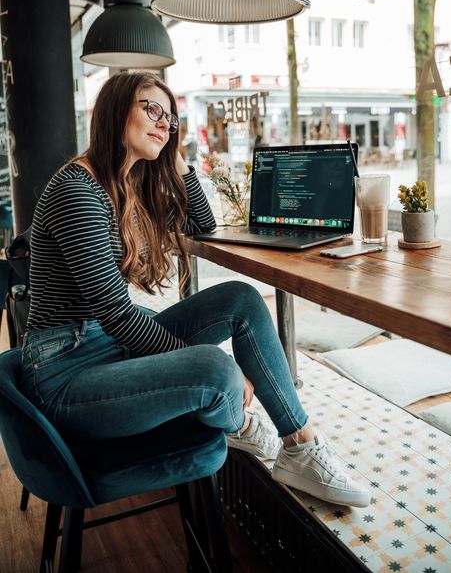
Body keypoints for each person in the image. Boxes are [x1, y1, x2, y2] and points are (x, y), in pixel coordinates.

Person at [20, 71, 369, 508]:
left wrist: (177, 159)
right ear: (114, 111)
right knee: (215, 370)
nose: (164, 123)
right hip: (66, 375)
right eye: (151, 109)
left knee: (240, 300)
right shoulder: (77, 190)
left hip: (106, 348)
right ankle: (237, 422)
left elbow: (203, 225)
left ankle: (299, 445)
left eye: (171, 118)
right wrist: (208, 365)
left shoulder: (124, 183)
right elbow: (116, 314)